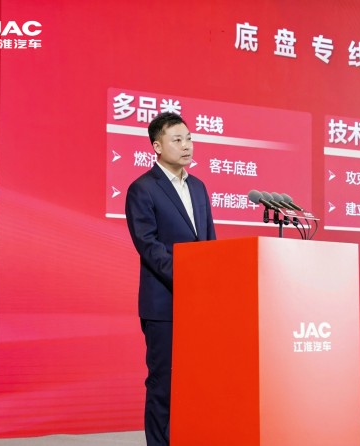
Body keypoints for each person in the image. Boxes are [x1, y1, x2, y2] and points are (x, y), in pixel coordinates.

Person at [125, 111, 216, 446]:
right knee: (163, 383)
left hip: (200, 302)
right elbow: (148, 245)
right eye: (177, 140)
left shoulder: (199, 187)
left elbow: (208, 241)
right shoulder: (142, 189)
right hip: (164, 303)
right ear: (157, 146)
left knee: (198, 380)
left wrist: (213, 281)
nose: (186, 145)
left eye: (189, 138)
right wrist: (189, 278)